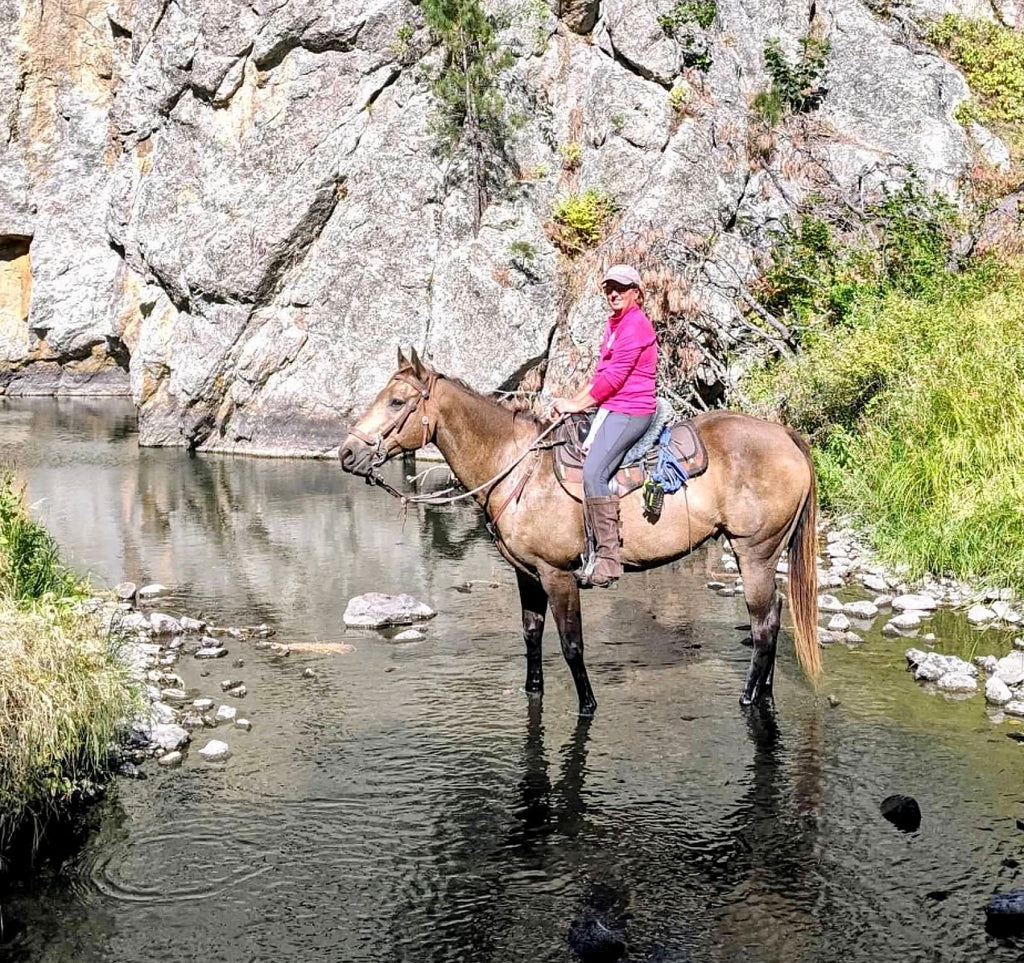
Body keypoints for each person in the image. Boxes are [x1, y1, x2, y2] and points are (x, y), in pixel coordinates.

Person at [552, 264, 658, 588]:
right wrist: (571, 402)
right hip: (614, 407)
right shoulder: (615, 324)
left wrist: (576, 405)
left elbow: (613, 380)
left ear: (636, 293)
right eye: (609, 287)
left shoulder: (635, 326)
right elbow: (599, 377)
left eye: (622, 288)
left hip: (632, 410)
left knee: (593, 472)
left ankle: (609, 560)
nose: (613, 292)